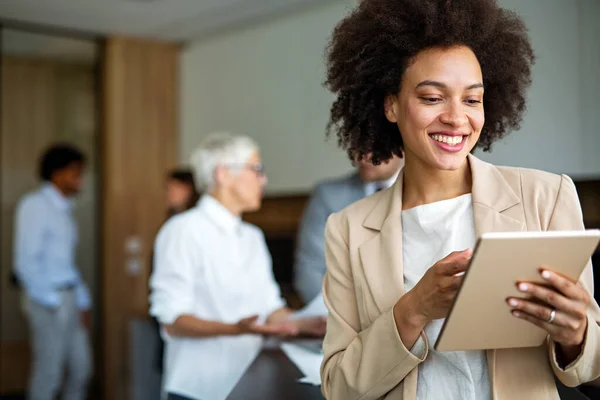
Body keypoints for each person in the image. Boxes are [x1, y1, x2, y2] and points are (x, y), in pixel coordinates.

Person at [319, 1, 600, 399]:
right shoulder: (347, 229)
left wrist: (577, 336)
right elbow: (337, 389)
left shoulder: (546, 197)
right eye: (433, 98)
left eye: (471, 99)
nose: (456, 118)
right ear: (391, 105)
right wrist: (413, 308)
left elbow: (593, 369)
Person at [149, 132, 327, 400]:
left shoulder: (252, 237)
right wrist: (236, 329)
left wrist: (307, 324)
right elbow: (172, 320)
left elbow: (270, 309)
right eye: (256, 169)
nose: (263, 179)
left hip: (248, 381)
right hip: (198, 387)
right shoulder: (182, 231)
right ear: (223, 174)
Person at [14, 143, 92, 400]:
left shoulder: (65, 210)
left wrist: (81, 300)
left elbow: (65, 263)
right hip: (47, 300)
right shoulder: (35, 205)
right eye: (74, 172)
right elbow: (25, 262)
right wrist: (53, 301)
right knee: (49, 373)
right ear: (56, 173)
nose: (79, 178)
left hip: (68, 296)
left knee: (81, 368)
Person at [294, 154, 403, 303]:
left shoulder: (427, 192)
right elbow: (310, 269)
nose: (363, 156)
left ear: (402, 146)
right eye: (357, 144)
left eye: (375, 146)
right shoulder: (328, 195)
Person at [152, 168, 201, 375]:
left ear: (188, 189)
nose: (167, 193)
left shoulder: (190, 226)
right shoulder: (173, 224)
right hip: (171, 308)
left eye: (171, 188)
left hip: (190, 315)